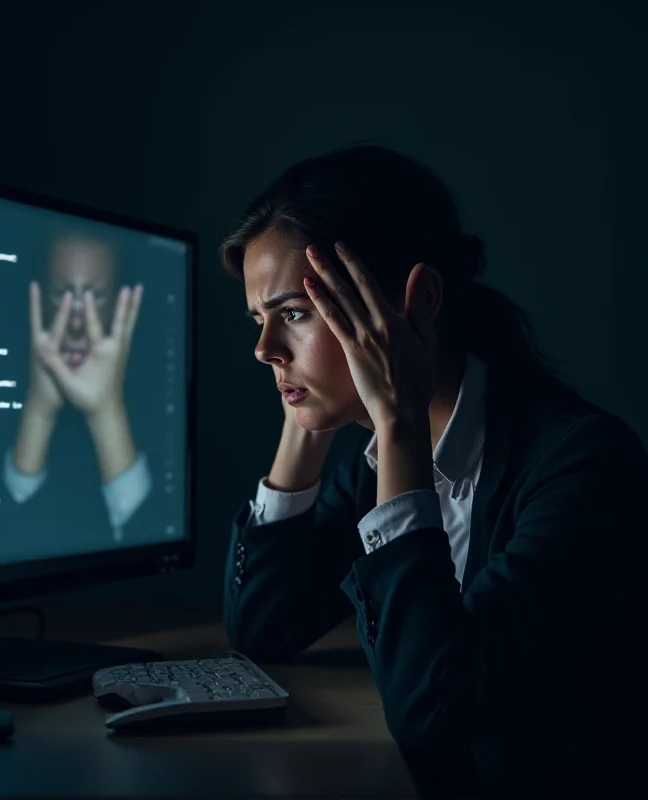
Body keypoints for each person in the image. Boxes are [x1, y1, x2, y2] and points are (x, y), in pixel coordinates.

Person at [220, 143, 648, 798]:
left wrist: (396, 424)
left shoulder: (584, 468)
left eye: (294, 314)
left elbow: (433, 710)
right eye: (259, 321)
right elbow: (263, 627)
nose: (262, 349)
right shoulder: (371, 467)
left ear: (416, 303)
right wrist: (302, 411)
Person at [2, 232, 152, 543]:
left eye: (95, 296)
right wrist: (38, 409)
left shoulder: (159, 406)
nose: (76, 322)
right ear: (41, 298)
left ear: (118, 303)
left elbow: (149, 534)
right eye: (63, 294)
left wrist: (106, 412)